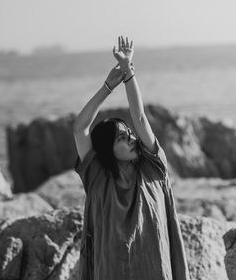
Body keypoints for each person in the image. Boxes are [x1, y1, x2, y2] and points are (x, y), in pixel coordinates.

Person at [73, 36, 190, 280]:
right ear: (107, 151)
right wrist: (107, 86)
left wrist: (128, 73)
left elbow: (140, 118)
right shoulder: (98, 177)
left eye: (129, 135)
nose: (131, 139)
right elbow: (80, 129)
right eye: (121, 139)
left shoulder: (153, 168)